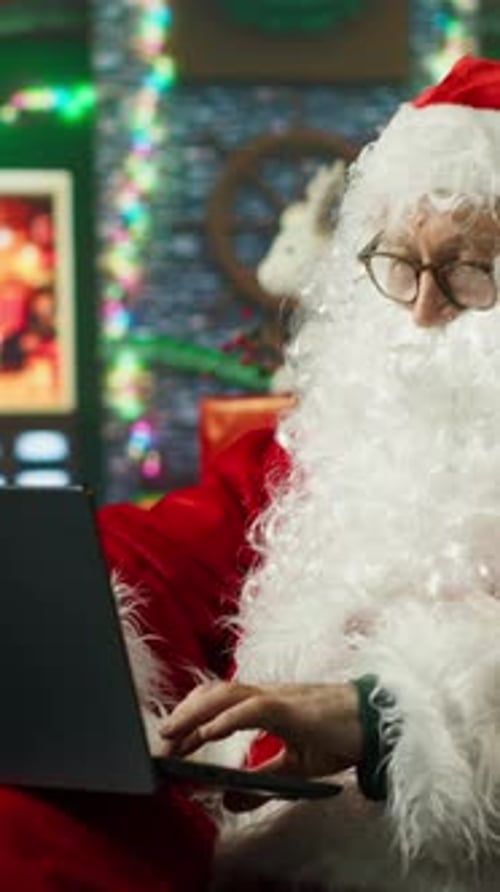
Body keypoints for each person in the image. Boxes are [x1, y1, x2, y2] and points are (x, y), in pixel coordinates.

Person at [0, 54, 500, 892]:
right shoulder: (318, 447)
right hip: (268, 849)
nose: (421, 309)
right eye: (401, 264)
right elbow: (162, 553)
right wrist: (47, 591)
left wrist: (382, 718)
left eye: (472, 270)